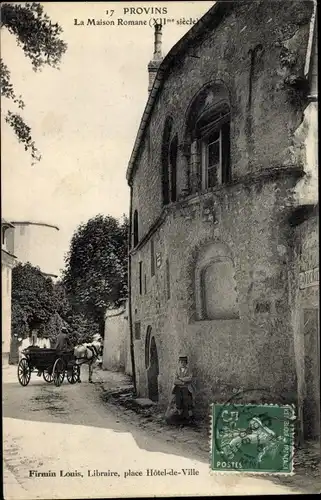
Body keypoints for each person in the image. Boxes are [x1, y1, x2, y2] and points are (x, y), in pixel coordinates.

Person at [167, 355, 196, 424]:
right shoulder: (177, 370)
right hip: (178, 389)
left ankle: (191, 419)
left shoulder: (189, 370)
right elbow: (175, 380)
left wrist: (181, 379)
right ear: (179, 363)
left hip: (186, 389)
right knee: (179, 402)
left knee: (188, 403)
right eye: (181, 362)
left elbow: (190, 378)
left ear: (186, 363)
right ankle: (180, 418)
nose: (183, 363)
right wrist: (183, 382)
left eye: (184, 362)